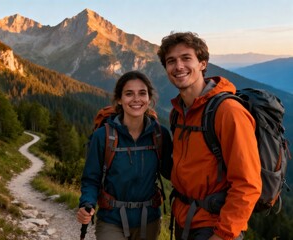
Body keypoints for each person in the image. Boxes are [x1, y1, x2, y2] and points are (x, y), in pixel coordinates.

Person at [157, 31, 262, 240]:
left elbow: (248, 183)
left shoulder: (228, 112)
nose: (178, 66)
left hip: (215, 227)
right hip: (184, 221)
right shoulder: (178, 113)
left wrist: (223, 234)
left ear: (203, 63)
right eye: (171, 61)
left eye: (186, 58)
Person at [77, 70, 173, 240]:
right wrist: (87, 203)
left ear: (149, 99)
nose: (136, 99)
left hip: (148, 220)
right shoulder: (103, 136)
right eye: (129, 94)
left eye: (142, 93)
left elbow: (172, 172)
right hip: (111, 220)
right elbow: (91, 179)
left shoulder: (159, 135)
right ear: (120, 100)